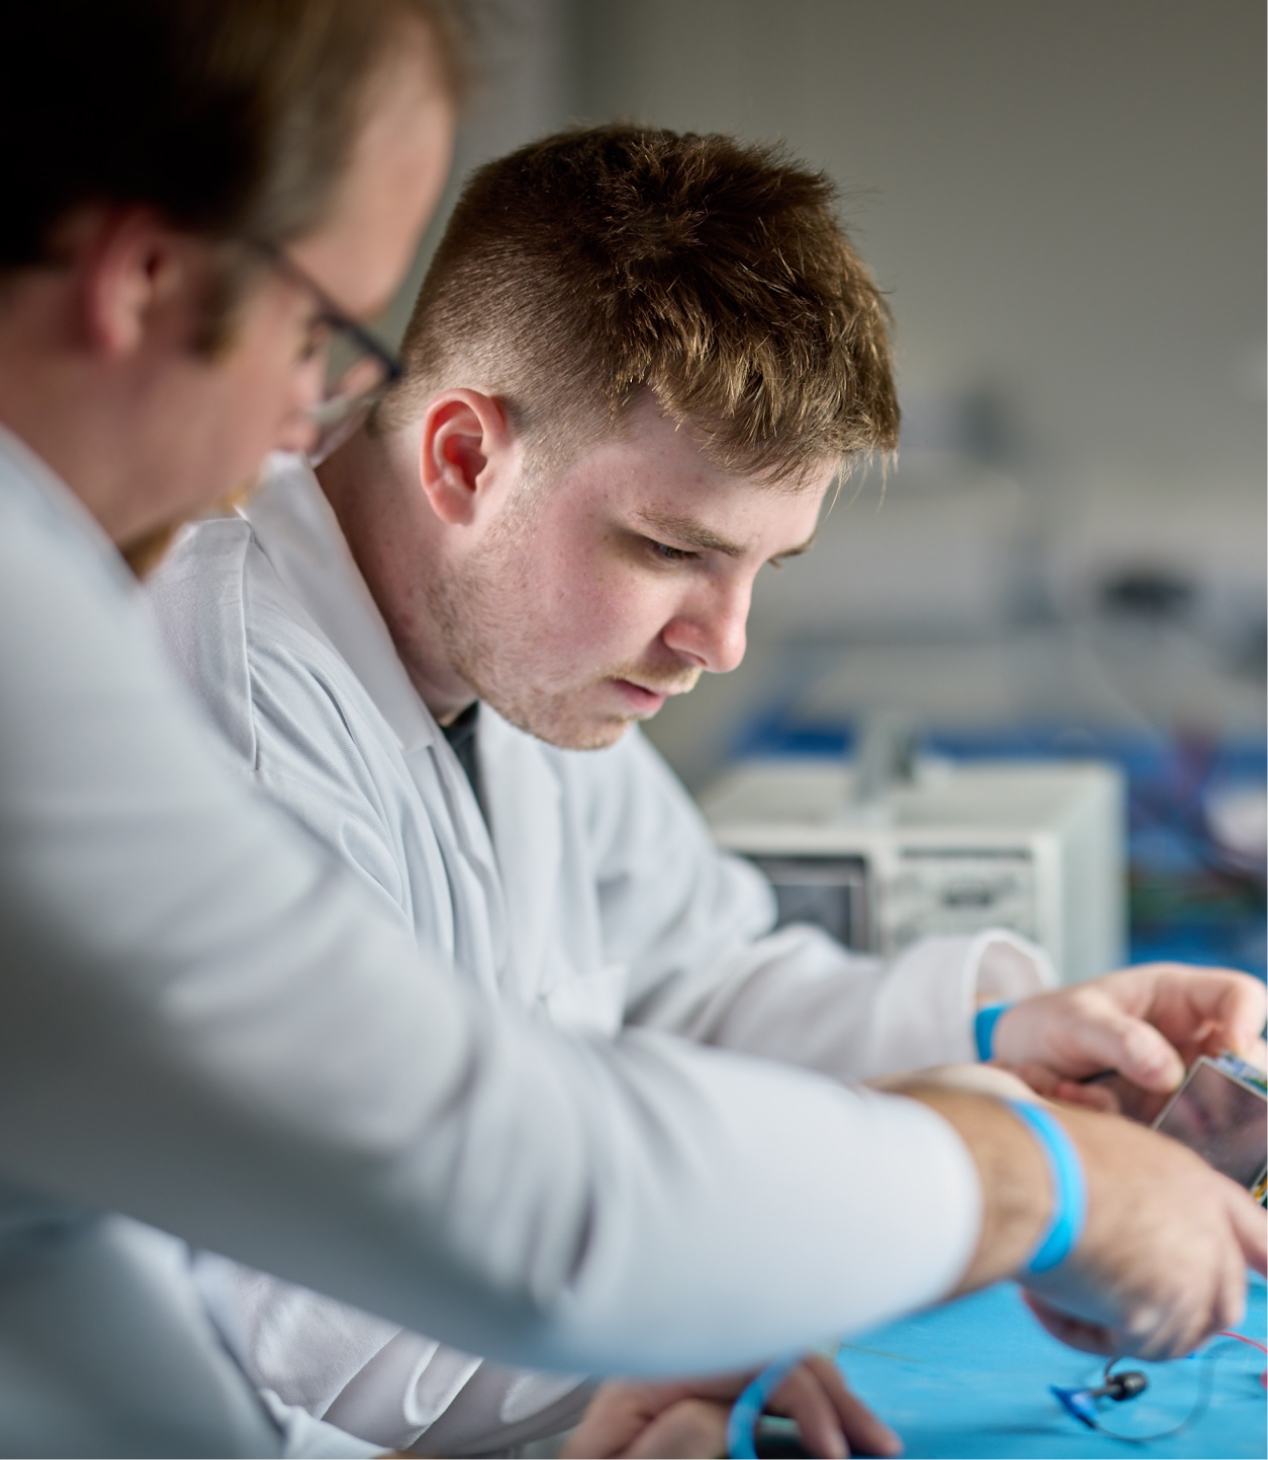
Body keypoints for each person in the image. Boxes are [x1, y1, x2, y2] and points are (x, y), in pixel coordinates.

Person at [148, 126, 1268, 1456]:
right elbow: (336, 1335)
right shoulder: (231, 704)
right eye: (674, 549)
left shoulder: (515, 661)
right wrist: (963, 1212)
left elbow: (686, 984)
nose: (720, 643)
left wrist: (999, 1034)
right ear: (462, 458)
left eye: (765, 568)